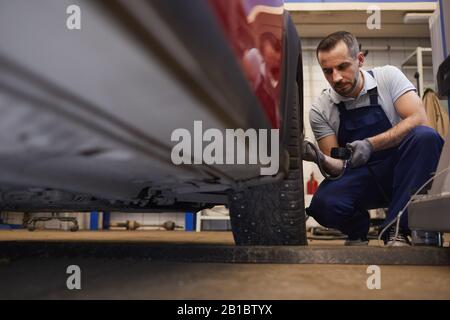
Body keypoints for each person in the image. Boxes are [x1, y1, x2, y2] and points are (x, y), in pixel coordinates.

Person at [302, 31, 444, 246]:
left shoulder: (388, 77)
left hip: (403, 173)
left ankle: (395, 229)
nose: (336, 78)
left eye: (342, 67)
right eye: (327, 71)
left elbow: (419, 119)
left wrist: (370, 144)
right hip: (361, 178)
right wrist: (320, 159)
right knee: (323, 205)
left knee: (426, 137)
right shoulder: (320, 109)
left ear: (359, 60)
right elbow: (338, 166)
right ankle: (357, 228)